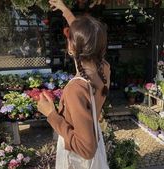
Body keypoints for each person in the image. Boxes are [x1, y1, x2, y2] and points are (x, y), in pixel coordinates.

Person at [37, 0, 111, 168]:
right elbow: (86, 39)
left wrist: (51, 114)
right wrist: (65, 10)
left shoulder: (75, 89)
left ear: (71, 47)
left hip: (77, 158)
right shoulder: (104, 69)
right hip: (93, 133)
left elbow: (87, 149)